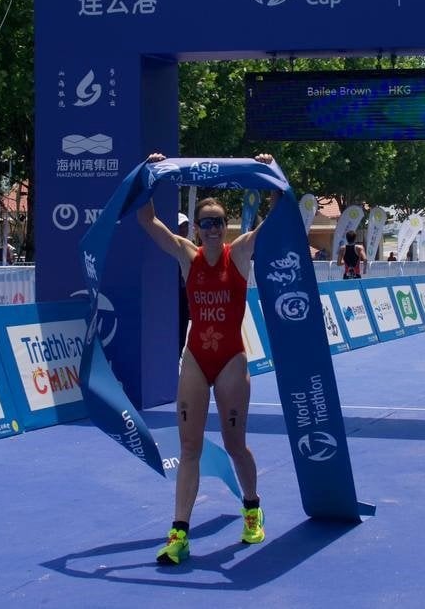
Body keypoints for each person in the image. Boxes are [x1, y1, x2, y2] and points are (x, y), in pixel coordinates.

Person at [137, 153, 276, 565]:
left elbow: (280, 220)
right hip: (196, 358)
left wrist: (268, 174)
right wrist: (151, 174)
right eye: (206, 223)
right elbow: (147, 221)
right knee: (189, 447)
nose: (213, 230)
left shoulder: (241, 253)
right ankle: (179, 532)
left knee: (235, 446)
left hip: (231, 359)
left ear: (227, 227)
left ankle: (252, 507)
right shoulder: (188, 256)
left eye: (219, 222)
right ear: (196, 229)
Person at [176, 213, 190, 358]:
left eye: (185, 226)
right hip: (170, 300)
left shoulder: (191, 249)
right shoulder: (169, 248)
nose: (183, 229)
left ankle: (178, 357)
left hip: (185, 300)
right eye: (180, 226)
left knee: (182, 333)